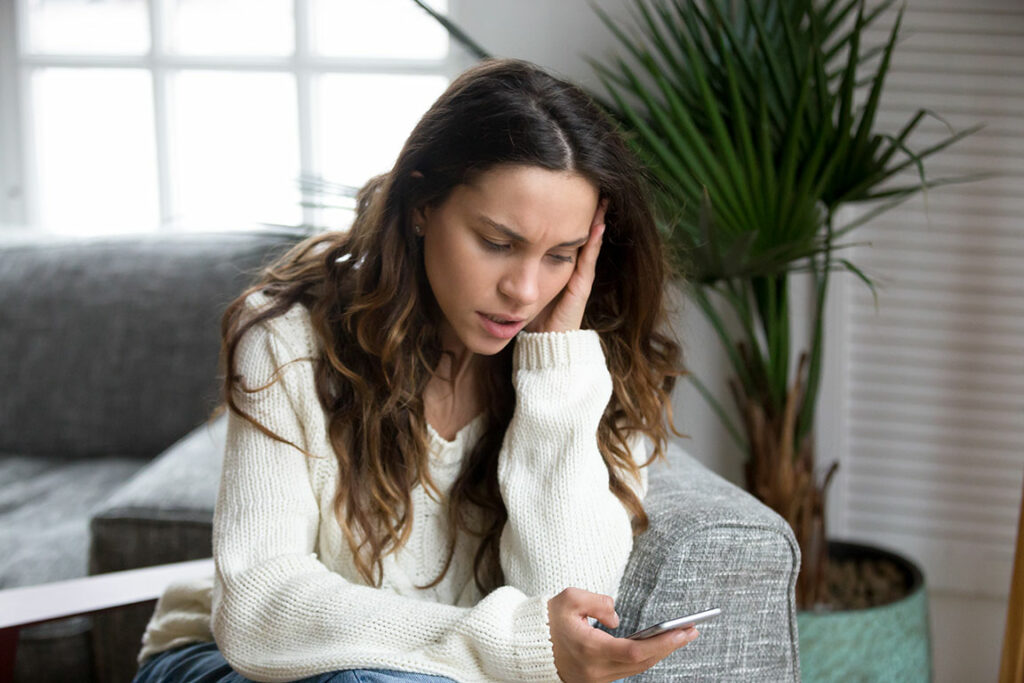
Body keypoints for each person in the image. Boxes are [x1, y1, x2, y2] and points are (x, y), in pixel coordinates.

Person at [133, 58, 690, 683]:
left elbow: (571, 618)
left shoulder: (586, 367)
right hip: (227, 659)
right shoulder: (288, 336)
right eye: (497, 243)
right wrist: (509, 643)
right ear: (423, 203)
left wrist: (553, 371)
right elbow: (260, 609)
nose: (524, 289)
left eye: (560, 256)